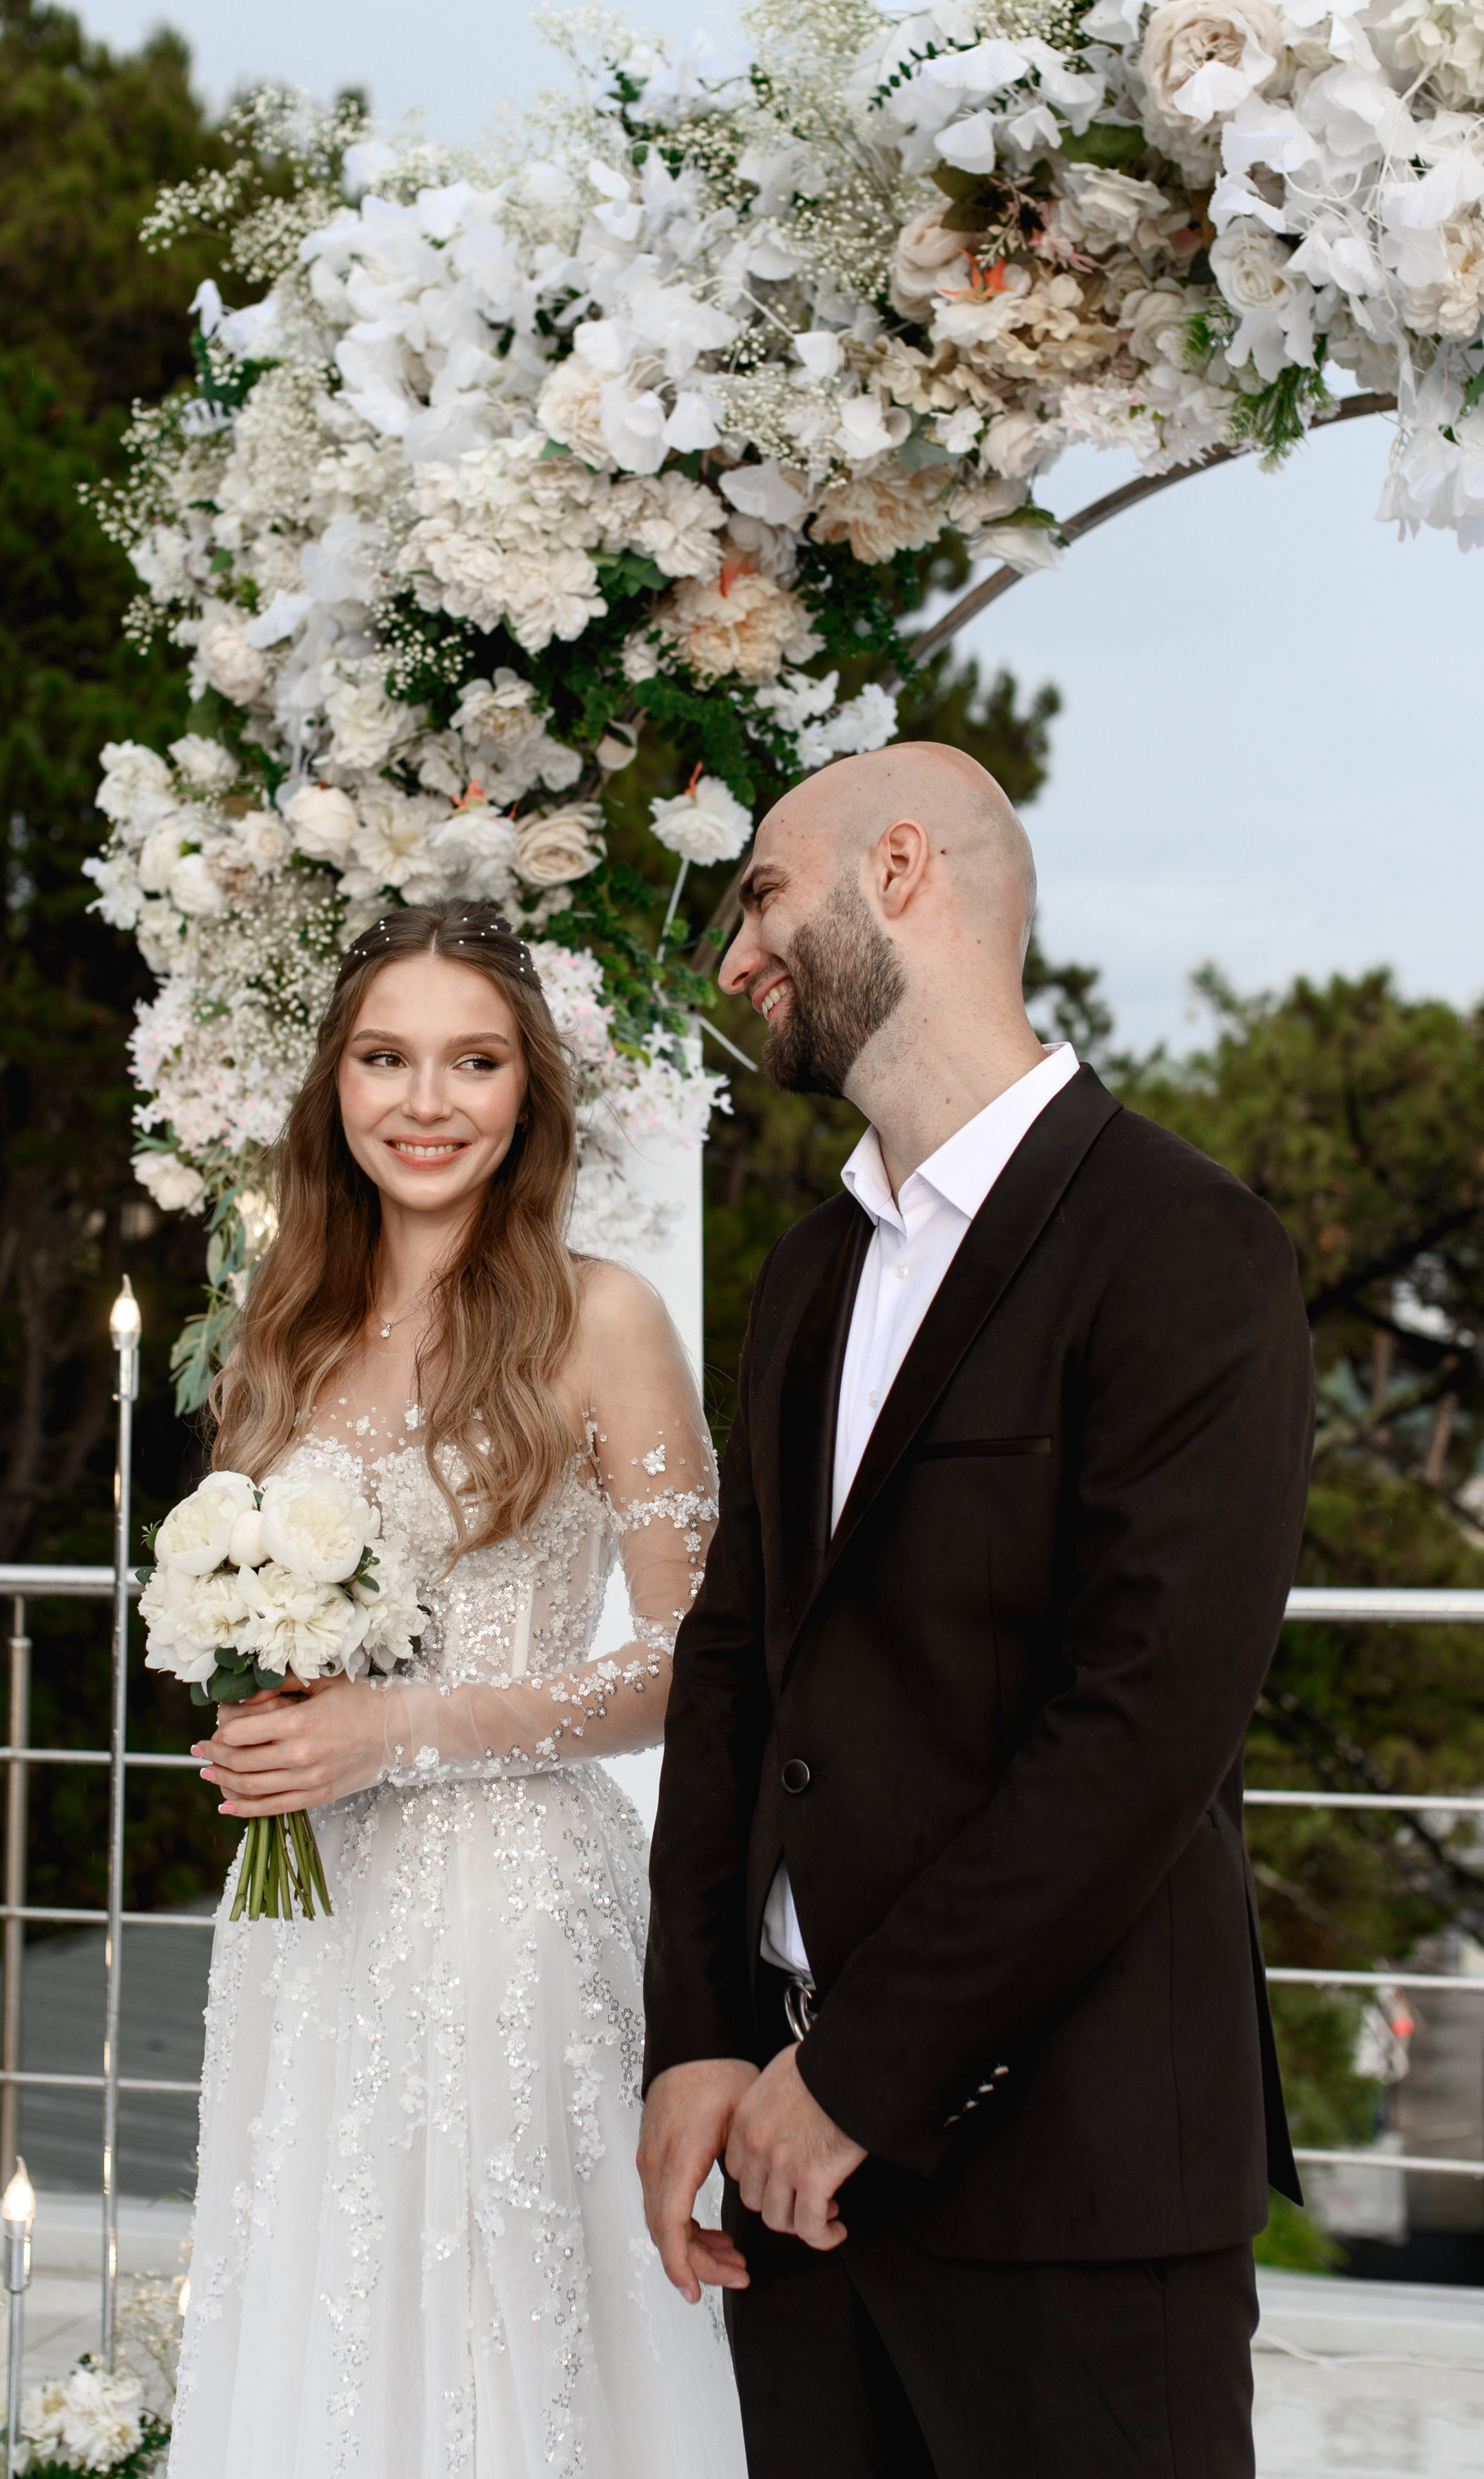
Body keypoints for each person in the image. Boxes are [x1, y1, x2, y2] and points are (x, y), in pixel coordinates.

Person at [637, 744, 1315, 2479]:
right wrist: (698, 2036)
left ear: (901, 871)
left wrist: (854, 2076)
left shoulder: (1186, 1244)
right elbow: (732, 1665)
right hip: (789, 2182)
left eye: (762, 897)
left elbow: (1140, 1731)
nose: (735, 957)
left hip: (1073, 2181)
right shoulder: (809, 1271)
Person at [173, 899, 746, 2479]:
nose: (425, 1102)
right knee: (320, 2315)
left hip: (511, 1919)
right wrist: (266, 1718)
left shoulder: (602, 1315)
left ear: (526, 1092)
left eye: (473, 1062)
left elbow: (695, 1660)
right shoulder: (279, 1324)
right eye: (385, 1058)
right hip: (305, 1925)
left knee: (509, 2340)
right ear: (335, 1084)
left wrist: (402, 1730)